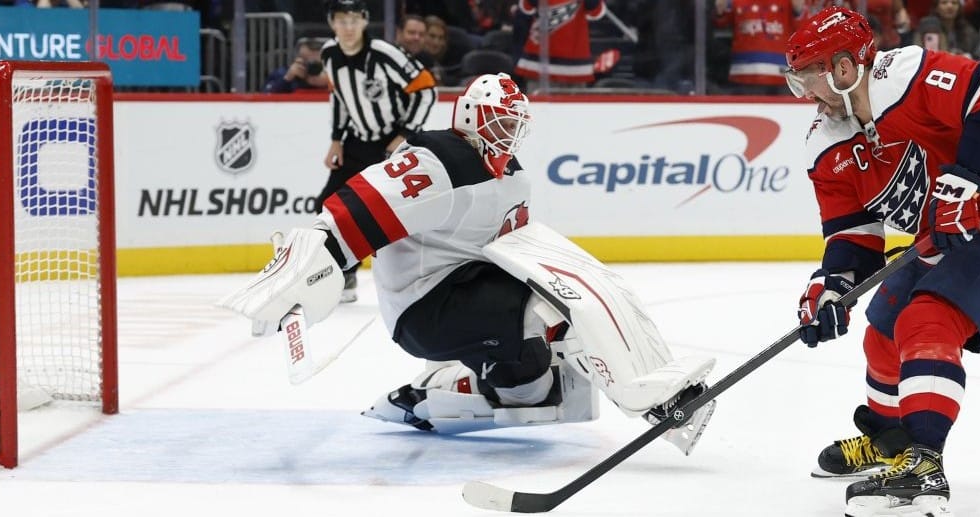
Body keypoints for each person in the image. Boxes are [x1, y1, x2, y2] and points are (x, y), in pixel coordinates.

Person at [216, 73, 717, 455]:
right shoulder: (435, 162)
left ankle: (465, 383)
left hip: (464, 290)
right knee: (542, 324)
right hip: (425, 309)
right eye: (500, 124)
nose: (509, 136)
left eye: (516, 126)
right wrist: (307, 264)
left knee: (553, 352)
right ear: (471, 118)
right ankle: (653, 407)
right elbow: (355, 211)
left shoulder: (508, 172)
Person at [784, 7, 980, 516]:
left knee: (927, 320)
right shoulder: (826, 144)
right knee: (883, 331)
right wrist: (831, 287)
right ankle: (892, 440)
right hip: (945, 237)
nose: (807, 96)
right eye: (798, 82)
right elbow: (852, 236)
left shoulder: (909, 76)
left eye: (811, 79)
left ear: (845, 68)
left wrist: (964, 180)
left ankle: (925, 465)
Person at [319, 0, 437, 302]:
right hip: (356, 142)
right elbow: (341, 98)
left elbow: (425, 88)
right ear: (332, 23)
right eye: (341, 20)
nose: (347, 27)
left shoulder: (384, 54)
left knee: (388, 212)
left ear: (364, 22)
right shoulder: (329, 54)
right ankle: (344, 276)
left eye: (354, 20)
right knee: (330, 206)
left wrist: (404, 135)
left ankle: (420, 275)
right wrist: (336, 139)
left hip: (391, 143)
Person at [514, 0, 607, 85]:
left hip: (575, 66)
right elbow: (526, 9)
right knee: (538, 100)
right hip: (539, 63)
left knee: (575, 102)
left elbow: (596, 13)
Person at [263, 38, 331, 94]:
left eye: (316, 63)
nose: (312, 66)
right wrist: (287, 79)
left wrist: (329, 82)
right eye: (306, 60)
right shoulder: (283, 73)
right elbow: (266, 95)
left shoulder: (333, 75)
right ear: (297, 59)